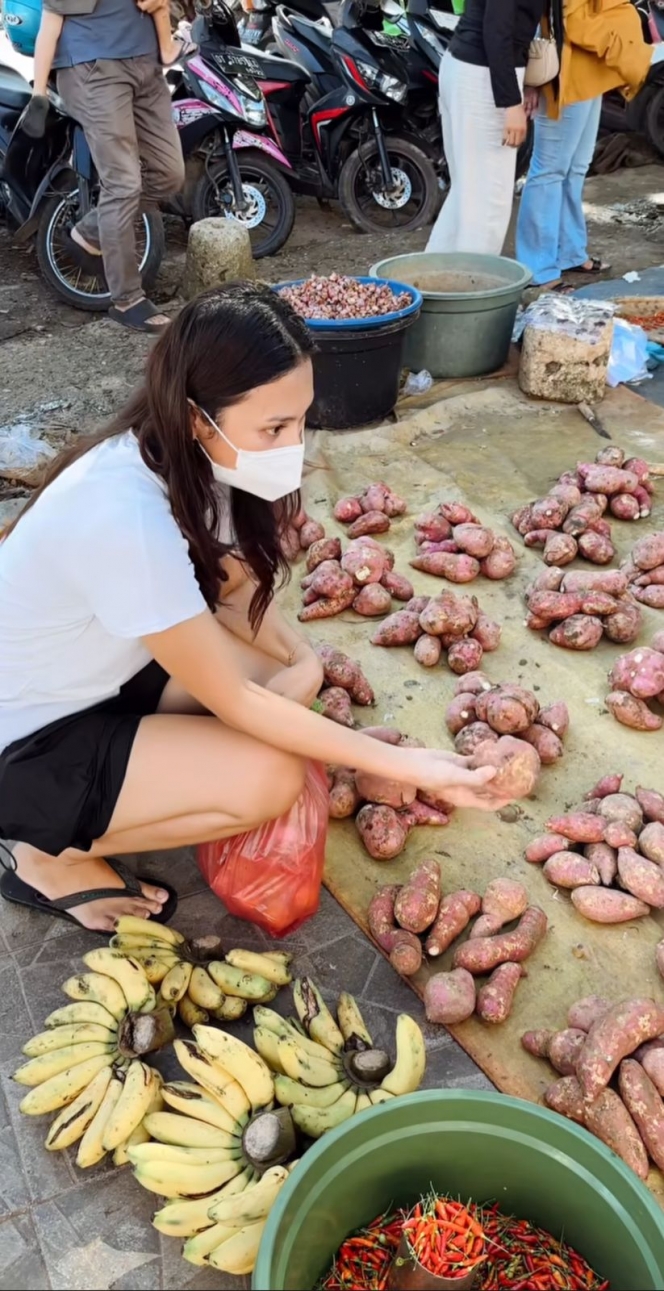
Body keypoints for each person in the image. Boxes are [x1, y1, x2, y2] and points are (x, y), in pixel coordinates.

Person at [0, 283, 506, 935]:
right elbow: (240, 701)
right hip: (27, 746)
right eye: (273, 427)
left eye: (298, 419)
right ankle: (44, 851)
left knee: (274, 680)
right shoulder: (121, 514)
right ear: (196, 414)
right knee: (269, 778)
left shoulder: (185, 458)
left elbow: (233, 589)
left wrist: (302, 660)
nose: (292, 445)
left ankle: (126, 791)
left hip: (98, 680)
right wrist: (403, 763)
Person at [29, 0, 189, 333]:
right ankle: (127, 299)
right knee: (124, 182)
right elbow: (51, 21)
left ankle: (89, 230)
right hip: (94, 70)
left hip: (146, 67)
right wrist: (39, 93)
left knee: (169, 174)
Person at [516, 0, 664, 289]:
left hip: (592, 73)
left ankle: (570, 252)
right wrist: (628, 51)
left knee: (576, 168)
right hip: (568, 74)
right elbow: (575, 23)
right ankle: (536, 267)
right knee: (549, 171)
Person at [426, 0, 547, 257]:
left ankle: (435, 286)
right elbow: (496, 28)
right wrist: (511, 103)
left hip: (471, 69)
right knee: (487, 204)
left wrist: (526, 83)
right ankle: (474, 291)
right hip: (482, 78)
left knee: (468, 193)